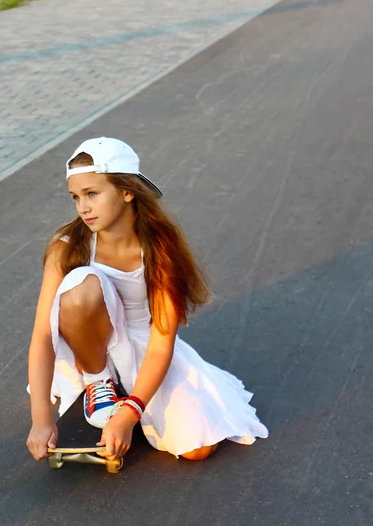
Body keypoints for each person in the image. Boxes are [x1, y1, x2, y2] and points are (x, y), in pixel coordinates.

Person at [26, 137, 268, 463]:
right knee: (81, 286)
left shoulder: (158, 247)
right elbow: (43, 334)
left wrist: (130, 414)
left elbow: (161, 341)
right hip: (89, 350)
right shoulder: (67, 245)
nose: (82, 207)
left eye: (92, 194)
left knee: (198, 448)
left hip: (143, 348)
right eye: (76, 197)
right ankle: (99, 385)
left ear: (127, 192)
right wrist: (40, 418)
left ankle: (131, 402)